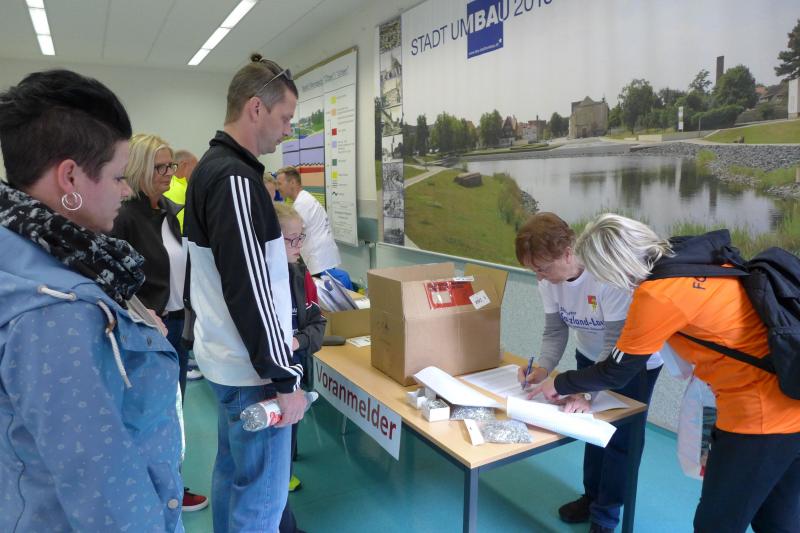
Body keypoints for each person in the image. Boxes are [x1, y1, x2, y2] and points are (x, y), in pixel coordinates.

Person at [532, 214, 800, 533]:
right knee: (777, 521)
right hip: (790, 400)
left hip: (758, 416)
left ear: (612, 266)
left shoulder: (658, 293)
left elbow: (617, 371)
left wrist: (560, 383)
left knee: (716, 524)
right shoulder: (692, 259)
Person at [0, 69, 183, 531]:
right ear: (70, 177)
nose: (126, 189)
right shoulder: (58, 310)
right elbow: (106, 493)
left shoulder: (28, 254)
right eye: (118, 176)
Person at [184, 53, 308, 533]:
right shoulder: (235, 179)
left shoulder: (214, 170)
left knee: (233, 477)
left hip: (229, 362)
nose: (287, 131)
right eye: (285, 118)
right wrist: (285, 378)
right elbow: (250, 290)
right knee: (261, 505)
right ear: (256, 108)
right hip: (253, 373)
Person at [515, 213, 663, 533]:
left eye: (543, 268)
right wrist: (543, 369)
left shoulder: (605, 275)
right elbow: (555, 331)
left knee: (619, 438)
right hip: (590, 357)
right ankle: (591, 497)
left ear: (568, 252)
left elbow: (614, 345)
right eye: (533, 270)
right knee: (590, 429)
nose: (539, 276)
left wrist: (585, 390)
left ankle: (606, 515)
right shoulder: (548, 282)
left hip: (631, 364)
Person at [110, 134, 208, 512]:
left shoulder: (168, 210)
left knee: (172, 416)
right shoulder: (124, 217)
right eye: (160, 167)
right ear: (138, 169)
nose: (169, 173)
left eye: (171, 165)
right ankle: (151, 495)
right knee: (149, 418)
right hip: (147, 331)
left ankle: (171, 486)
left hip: (176, 326)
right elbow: (115, 281)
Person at [273, 203, 326, 529]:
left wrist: (297, 341)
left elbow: (318, 325)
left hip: (294, 374)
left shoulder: (299, 274)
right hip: (267, 383)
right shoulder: (259, 281)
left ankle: (285, 522)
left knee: (284, 458)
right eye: (289, 239)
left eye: (300, 237)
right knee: (268, 467)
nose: (298, 246)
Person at [275, 166, 344, 280]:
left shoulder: (302, 204)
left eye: (279, 184)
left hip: (319, 260)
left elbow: (291, 235)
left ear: (292, 182)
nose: (278, 188)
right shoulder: (304, 198)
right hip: (323, 258)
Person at [164, 149, 197, 232]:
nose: (197, 172)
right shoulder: (177, 188)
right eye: (195, 167)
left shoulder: (168, 184)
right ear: (184, 165)